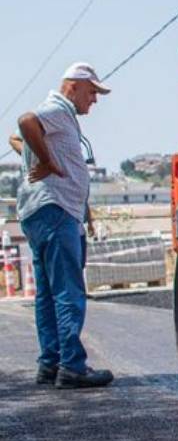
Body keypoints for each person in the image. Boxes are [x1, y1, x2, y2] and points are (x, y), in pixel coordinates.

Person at [16, 62, 113, 388]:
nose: (95, 100)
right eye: (92, 92)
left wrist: (42, 155)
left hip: (44, 211)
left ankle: (51, 363)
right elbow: (25, 122)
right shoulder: (56, 109)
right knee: (68, 291)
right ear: (74, 86)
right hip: (55, 211)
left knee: (47, 293)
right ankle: (72, 366)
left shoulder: (61, 117)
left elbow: (20, 139)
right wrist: (46, 162)